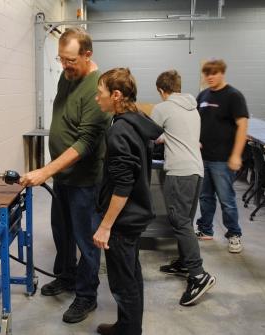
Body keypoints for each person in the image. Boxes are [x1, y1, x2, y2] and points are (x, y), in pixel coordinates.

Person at [20, 27, 111, 323]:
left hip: (85, 180)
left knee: (86, 240)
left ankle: (86, 296)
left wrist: (45, 171)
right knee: (62, 232)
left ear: (87, 55)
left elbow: (85, 143)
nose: (64, 66)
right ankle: (66, 276)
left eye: (70, 60)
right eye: (61, 59)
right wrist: (54, 171)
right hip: (63, 177)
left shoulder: (99, 88)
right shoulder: (67, 76)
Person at [93, 68, 163, 335]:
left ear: (117, 95)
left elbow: (124, 184)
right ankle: (127, 325)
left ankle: (130, 331)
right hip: (135, 214)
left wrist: (105, 225)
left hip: (123, 220)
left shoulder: (120, 130)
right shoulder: (136, 119)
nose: (97, 98)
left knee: (123, 282)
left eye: (100, 93)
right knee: (130, 275)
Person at [150, 70, 216, 306]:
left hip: (179, 173)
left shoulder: (163, 108)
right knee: (185, 221)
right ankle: (183, 262)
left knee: (180, 222)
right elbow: (180, 134)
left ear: (161, 90)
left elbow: (149, 133)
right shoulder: (192, 108)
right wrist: (166, 137)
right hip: (196, 170)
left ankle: (198, 275)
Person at [195, 59, 249, 253]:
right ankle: (205, 229)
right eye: (207, 73)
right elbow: (196, 121)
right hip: (203, 156)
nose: (210, 77)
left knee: (226, 199)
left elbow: (242, 125)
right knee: (205, 197)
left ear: (222, 73)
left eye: (214, 73)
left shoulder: (233, 96)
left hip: (223, 159)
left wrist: (236, 155)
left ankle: (234, 234)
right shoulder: (202, 95)